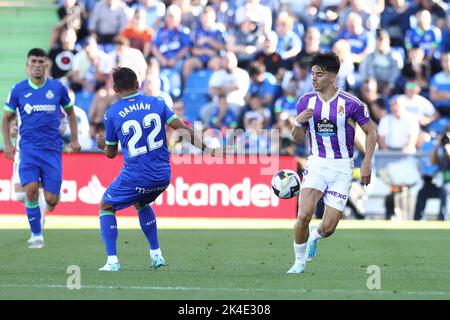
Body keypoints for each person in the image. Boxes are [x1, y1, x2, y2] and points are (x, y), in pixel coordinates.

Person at [95, 67, 230, 271]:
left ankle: (112, 261)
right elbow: (182, 128)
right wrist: (207, 149)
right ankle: (156, 255)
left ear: (114, 89)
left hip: (136, 175)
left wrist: (102, 144)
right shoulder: (157, 103)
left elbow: (111, 153)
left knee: (106, 206)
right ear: (138, 84)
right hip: (163, 175)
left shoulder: (112, 113)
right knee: (141, 202)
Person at [287, 52, 377, 273]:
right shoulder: (305, 102)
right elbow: (296, 138)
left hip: (342, 167)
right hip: (317, 163)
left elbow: (371, 133)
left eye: (319, 74)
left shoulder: (351, 103)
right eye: (312, 74)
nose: (314, 79)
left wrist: (366, 163)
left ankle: (315, 237)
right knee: (303, 215)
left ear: (332, 76)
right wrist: (298, 123)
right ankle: (298, 263)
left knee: (328, 228)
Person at [2, 48, 81, 249]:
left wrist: (74, 139)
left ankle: (48, 206)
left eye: (40, 61)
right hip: (28, 149)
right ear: (27, 66)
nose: (37, 65)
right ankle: (36, 235)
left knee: (51, 200)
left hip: (52, 150)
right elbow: (6, 118)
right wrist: (8, 144)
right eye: (33, 62)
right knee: (29, 191)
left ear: (47, 64)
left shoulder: (58, 88)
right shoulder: (18, 90)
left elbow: (70, 114)